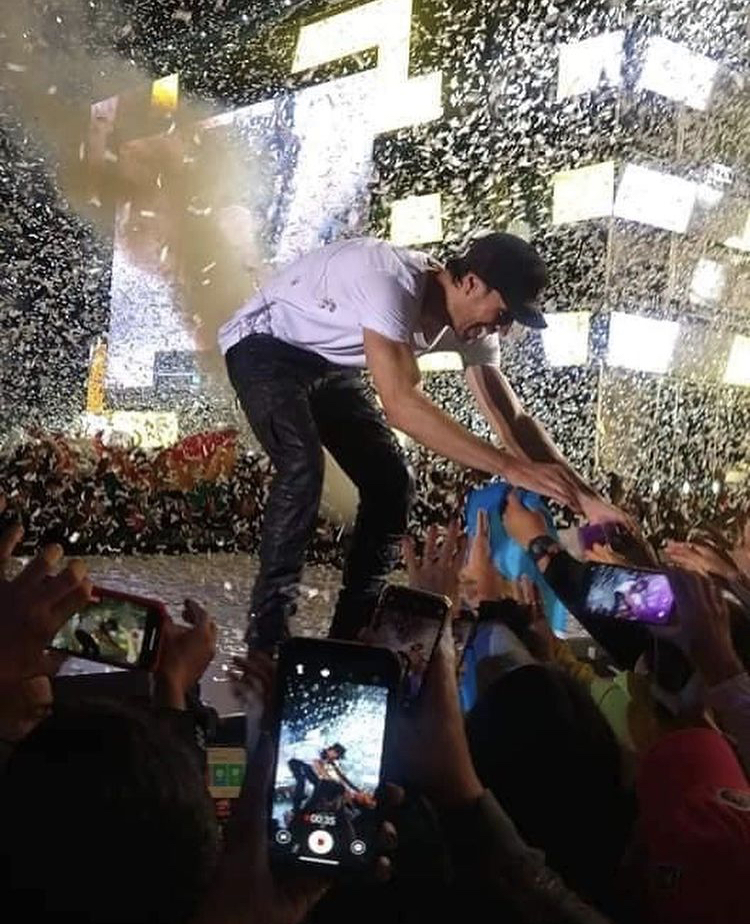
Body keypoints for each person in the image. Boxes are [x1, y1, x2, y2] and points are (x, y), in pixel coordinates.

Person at [219, 233, 628, 648]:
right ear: (471, 283)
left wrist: (586, 499)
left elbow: (513, 421)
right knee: (303, 465)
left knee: (393, 483)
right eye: (503, 315)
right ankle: (266, 635)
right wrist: (509, 467)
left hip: (328, 366)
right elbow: (400, 405)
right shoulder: (392, 283)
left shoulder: (475, 329)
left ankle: (354, 631)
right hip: (263, 345)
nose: (502, 331)